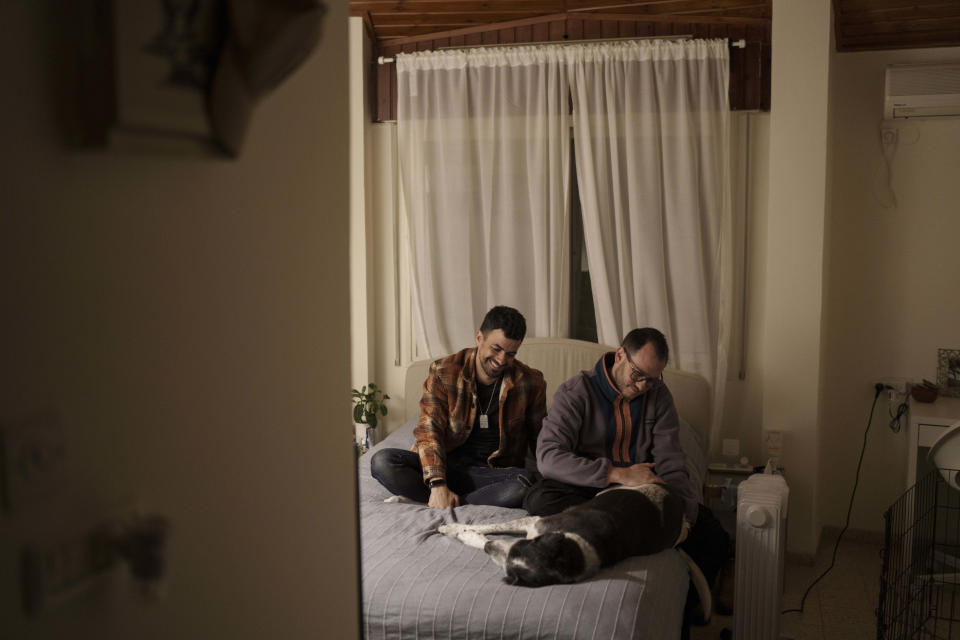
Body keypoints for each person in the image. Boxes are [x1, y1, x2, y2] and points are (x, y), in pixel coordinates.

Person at [524, 327, 730, 621]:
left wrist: (682, 513)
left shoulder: (659, 396)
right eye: (638, 375)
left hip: (639, 493)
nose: (644, 385)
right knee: (539, 500)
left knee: (712, 535)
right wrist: (615, 473)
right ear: (620, 355)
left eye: (652, 378)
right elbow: (548, 458)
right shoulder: (576, 391)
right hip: (586, 488)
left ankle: (682, 613)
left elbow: (671, 461)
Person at [370, 306, 547, 509]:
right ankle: (444, 496)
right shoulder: (444, 372)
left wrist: (556, 477)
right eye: (496, 349)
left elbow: (541, 440)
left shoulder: (531, 382)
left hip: (491, 474)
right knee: (383, 461)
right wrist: (437, 484)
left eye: (510, 354)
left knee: (525, 483)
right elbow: (429, 431)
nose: (501, 360)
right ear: (479, 338)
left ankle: (451, 501)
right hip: (444, 466)